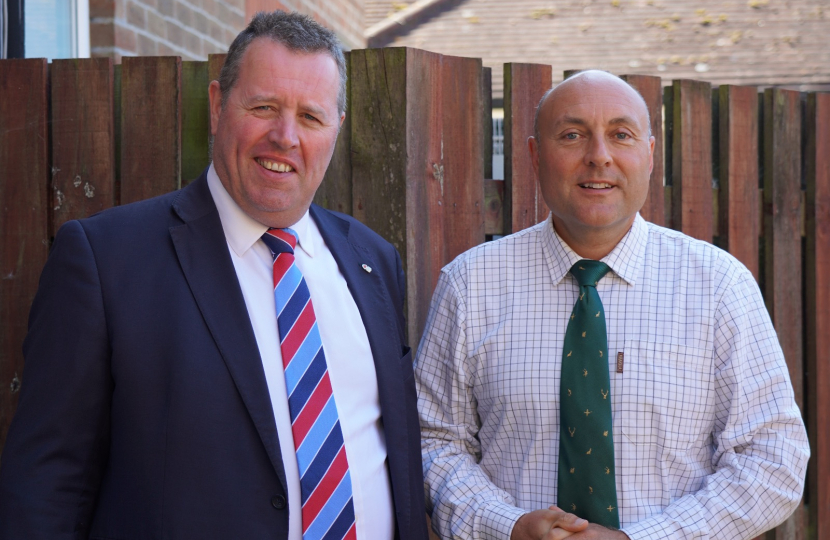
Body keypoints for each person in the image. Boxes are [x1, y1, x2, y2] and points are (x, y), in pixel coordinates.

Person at [0, 11, 428, 540]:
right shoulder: (106, 261)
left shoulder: (373, 260)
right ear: (216, 105)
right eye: (263, 107)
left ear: (336, 130)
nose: (285, 136)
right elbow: (48, 481)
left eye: (311, 118)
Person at [415, 70, 809, 540]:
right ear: (535, 155)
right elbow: (433, 442)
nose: (598, 157)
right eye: (572, 135)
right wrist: (509, 528)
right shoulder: (470, 285)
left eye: (620, 135)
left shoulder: (719, 287)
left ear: (649, 154)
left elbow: (773, 457)